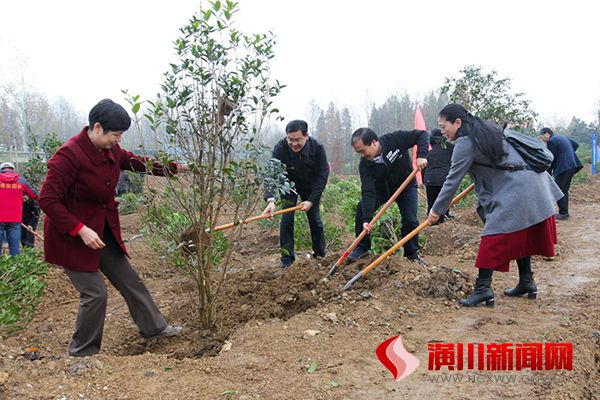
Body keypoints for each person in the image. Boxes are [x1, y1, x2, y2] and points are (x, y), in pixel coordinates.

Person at [38, 99, 189, 357]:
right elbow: (47, 199)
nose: (118, 140)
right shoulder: (68, 156)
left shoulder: (111, 151)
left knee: (129, 280)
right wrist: (80, 229)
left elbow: (138, 162)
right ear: (97, 127)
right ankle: (82, 353)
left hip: (102, 231)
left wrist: (178, 168)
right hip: (72, 237)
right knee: (95, 293)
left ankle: (154, 328)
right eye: (115, 135)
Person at [427, 104, 563, 307]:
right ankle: (526, 281)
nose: (442, 131)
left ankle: (483, 289)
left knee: (493, 235)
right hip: (534, 183)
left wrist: (436, 211)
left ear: (458, 122)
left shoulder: (466, 142)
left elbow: (452, 181)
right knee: (520, 230)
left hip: (520, 188)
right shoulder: (488, 132)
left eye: (443, 126)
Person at [347, 127, 429, 265]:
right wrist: (367, 219)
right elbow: (368, 191)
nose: (361, 155)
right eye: (358, 152)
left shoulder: (395, 139)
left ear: (374, 142)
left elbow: (422, 135)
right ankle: (362, 248)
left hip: (406, 185)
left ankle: (412, 255)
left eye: (362, 150)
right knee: (362, 208)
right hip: (382, 190)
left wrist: (421, 155)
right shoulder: (365, 164)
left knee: (410, 220)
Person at [262, 120, 329, 269]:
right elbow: (271, 174)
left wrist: (311, 200)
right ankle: (287, 259)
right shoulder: (280, 147)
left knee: (315, 220)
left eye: (298, 140)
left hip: (310, 187)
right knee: (286, 220)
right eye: (290, 139)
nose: (293, 144)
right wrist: (271, 199)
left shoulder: (317, 148)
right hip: (288, 187)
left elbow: (323, 175)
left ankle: (319, 254)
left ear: (306, 136)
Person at [539, 127, 583, 220]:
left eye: (542, 137)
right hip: (572, 165)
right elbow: (576, 145)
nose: (542, 139)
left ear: (547, 134)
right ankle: (564, 213)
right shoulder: (562, 137)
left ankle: (563, 213)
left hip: (563, 167)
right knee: (563, 190)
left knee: (557, 190)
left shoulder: (551, 141)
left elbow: (551, 158)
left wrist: (547, 172)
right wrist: (568, 154)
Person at [0, 162, 38, 256]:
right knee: (15, 248)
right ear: (13, 170)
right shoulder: (21, 181)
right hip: (15, 219)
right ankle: (16, 267)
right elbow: (35, 195)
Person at [424, 128, 454, 224]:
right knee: (444, 198)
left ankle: (431, 220)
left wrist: (424, 178)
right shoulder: (450, 147)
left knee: (431, 200)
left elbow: (422, 166)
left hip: (430, 179)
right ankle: (444, 215)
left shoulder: (426, 149)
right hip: (444, 178)